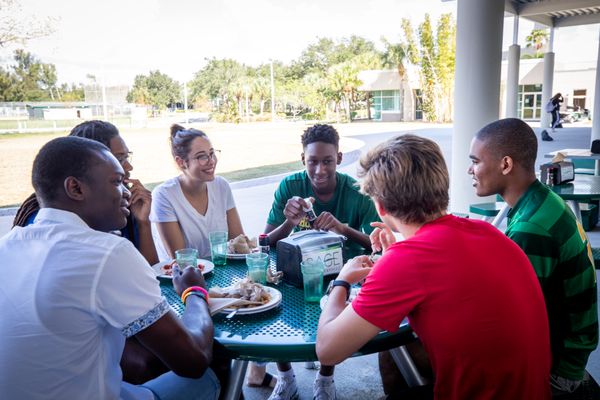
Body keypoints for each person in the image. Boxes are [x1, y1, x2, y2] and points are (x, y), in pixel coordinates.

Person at [316, 134, 552, 399]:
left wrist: (343, 281)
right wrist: (396, 253)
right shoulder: (486, 231)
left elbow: (327, 350)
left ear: (380, 206)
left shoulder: (407, 261)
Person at [0, 136, 220, 399]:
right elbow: (192, 362)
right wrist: (194, 291)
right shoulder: (105, 251)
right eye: (117, 182)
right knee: (214, 365)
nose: (126, 192)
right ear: (76, 188)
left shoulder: (7, 245)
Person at [468, 117, 599, 395]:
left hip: (558, 368)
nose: (470, 169)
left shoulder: (532, 229)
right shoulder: (544, 200)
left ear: (505, 164)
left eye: (476, 161)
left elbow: (509, 320)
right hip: (573, 349)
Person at [251, 124, 379, 400]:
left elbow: (375, 243)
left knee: (332, 303)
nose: (320, 170)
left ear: (340, 159)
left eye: (327, 161)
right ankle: (286, 377)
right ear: (302, 160)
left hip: (342, 270)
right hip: (296, 269)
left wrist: (343, 229)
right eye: (313, 162)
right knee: (272, 299)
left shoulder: (357, 191)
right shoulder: (290, 186)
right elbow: (267, 241)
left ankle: (325, 378)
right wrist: (289, 221)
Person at [12, 120, 158, 265]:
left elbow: (151, 271)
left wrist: (143, 223)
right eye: (119, 159)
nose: (129, 167)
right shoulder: (44, 221)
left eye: (127, 157)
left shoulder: (119, 205)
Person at [150, 124, 244, 260]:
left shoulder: (221, 186)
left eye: (212, 153)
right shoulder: (164, 195)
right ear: (181, 162)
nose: (211, 161)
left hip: (221, 271)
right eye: (202, 157)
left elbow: (238, 243)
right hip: (183, 278)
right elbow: (181, 260)